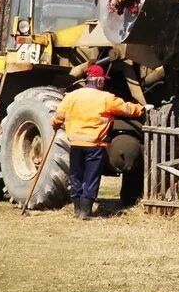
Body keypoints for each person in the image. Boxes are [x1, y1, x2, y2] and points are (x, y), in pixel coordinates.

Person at [51, 65, 146, 220]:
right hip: (95, 145)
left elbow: (58, 115)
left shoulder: (71, 96)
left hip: (76, 144)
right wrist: (141, 109)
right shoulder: (106, 98)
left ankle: (77, 210)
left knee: (76, 176)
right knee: (90, 177)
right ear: (99, 80)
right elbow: (126, 109)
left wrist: (55, 123)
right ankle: (85, 212)